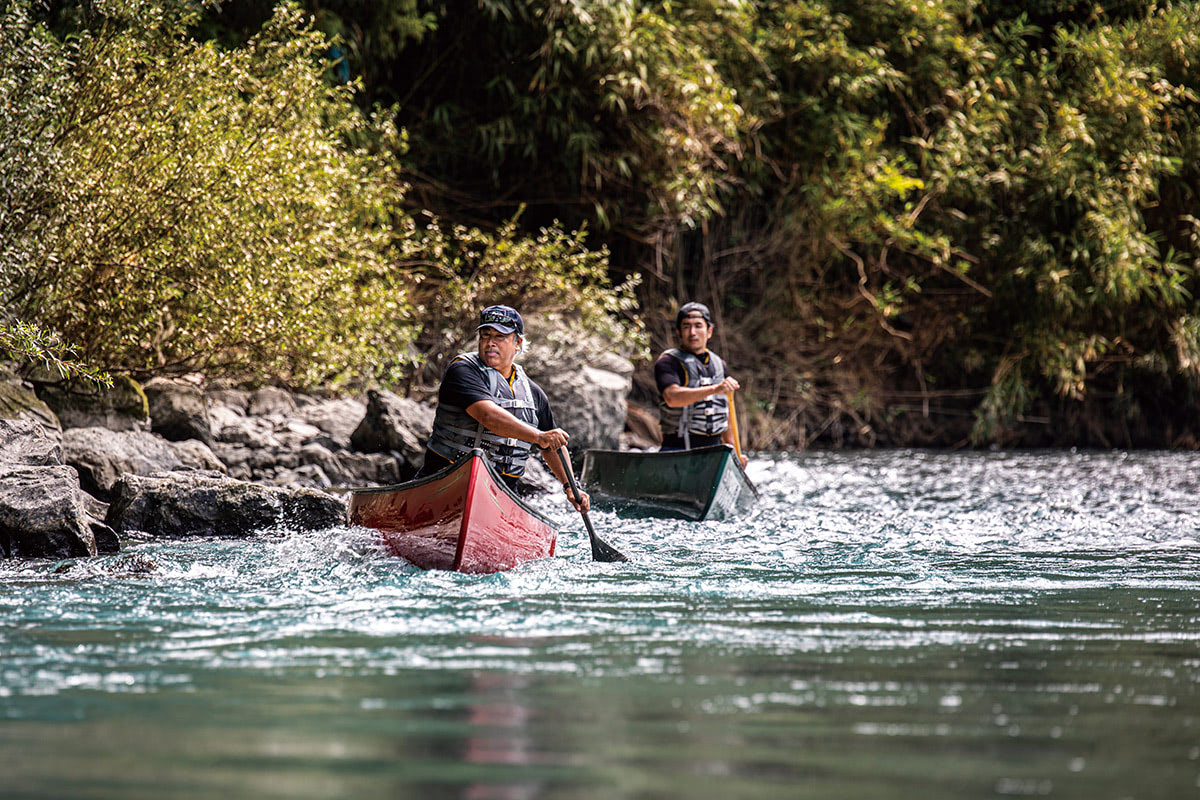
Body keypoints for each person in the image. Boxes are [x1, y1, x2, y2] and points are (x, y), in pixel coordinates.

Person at [419, 304, 590, 512]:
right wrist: (539, 437)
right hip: (442, 482)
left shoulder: (533, 394)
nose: (490, 343)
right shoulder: (462, 371)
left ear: (518, 343)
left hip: (502, 496)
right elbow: (488, 416)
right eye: (486, 335)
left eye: (500, 337)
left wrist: (570, 487)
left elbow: (552, 444)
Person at [654, 301, 747, 468]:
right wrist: (714, 389)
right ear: (678, 332)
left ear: (709, 331)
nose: (692, 332)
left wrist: (734, 456)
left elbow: (725, 412)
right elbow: (672, 398)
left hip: (713, 455)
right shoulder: (668, 363)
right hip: (676, 451)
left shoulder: (720, 365)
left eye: (698, 326)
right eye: (686, 326)